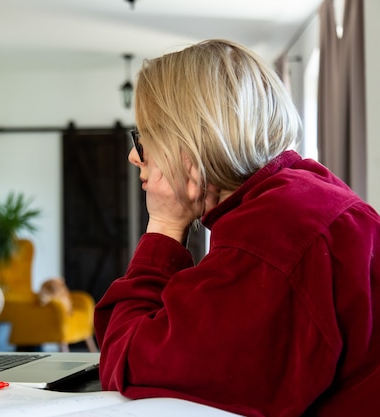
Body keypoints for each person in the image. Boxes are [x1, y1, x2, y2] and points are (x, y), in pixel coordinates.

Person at [94, 39, 380, 417]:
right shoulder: (302, 192)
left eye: (145, 135)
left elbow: (128, 360)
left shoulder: (268, 240)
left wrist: (163, 225)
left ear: (189, 142)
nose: (135, 155)